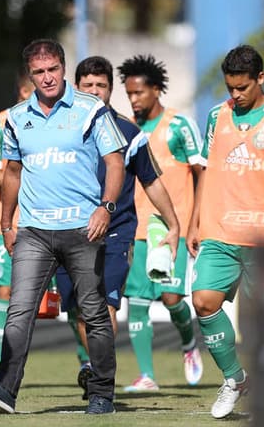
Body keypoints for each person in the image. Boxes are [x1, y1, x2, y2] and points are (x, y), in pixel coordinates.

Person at [0, 39, 126, 416]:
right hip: (33, 230)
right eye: (39, 72)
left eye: (53, 70)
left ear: (64, 68)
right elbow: (12, 172)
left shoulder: (91, 109)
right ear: (29, 76)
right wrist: (6, 223)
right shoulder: (16, 118)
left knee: (93, 313)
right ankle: (4, 391)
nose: (47, 78)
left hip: (84, 229)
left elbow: (115, 162)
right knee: (19, 311)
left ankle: (101, 394)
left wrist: (106, 208)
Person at [186, 44, 264, 419]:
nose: (234, 95)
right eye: (229, 88)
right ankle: (235, 379)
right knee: (203, 300)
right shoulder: (215, 117)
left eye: (242, 88)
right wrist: (195, 221)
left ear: (260, 79)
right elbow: (205, 171)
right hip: (221, 231)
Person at [54, 56, 181, 400]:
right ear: (75, 87)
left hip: (115, 231)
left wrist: (173, 223)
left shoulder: (129, 132)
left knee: (103, 307)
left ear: (111, 90)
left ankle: (101, 383)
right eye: (88, 86)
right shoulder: (58, 127)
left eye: (102, 86)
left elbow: (152, 181)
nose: (95, 92)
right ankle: (97, 368)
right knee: (81, 310)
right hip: (67, 231)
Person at [117, 54, 204, 392]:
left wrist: (195, 223)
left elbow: (202, 174)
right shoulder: (127, 129)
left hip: (172, 229)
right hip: (136, 229)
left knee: (170, 297)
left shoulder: (179, 126)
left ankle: (187, 345)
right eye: (129, 94)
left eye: (139, 92)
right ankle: (146, 376)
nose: (134, 99)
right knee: (137, 301)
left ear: (156, 90)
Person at [0, 72, 34, 363]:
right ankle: (4, 367)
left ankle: (86, 364)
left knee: (68, 298)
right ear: (25, 91)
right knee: (6, 290)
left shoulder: (59, 125)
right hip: (10, 224)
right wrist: (39, 180)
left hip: (55, 221)